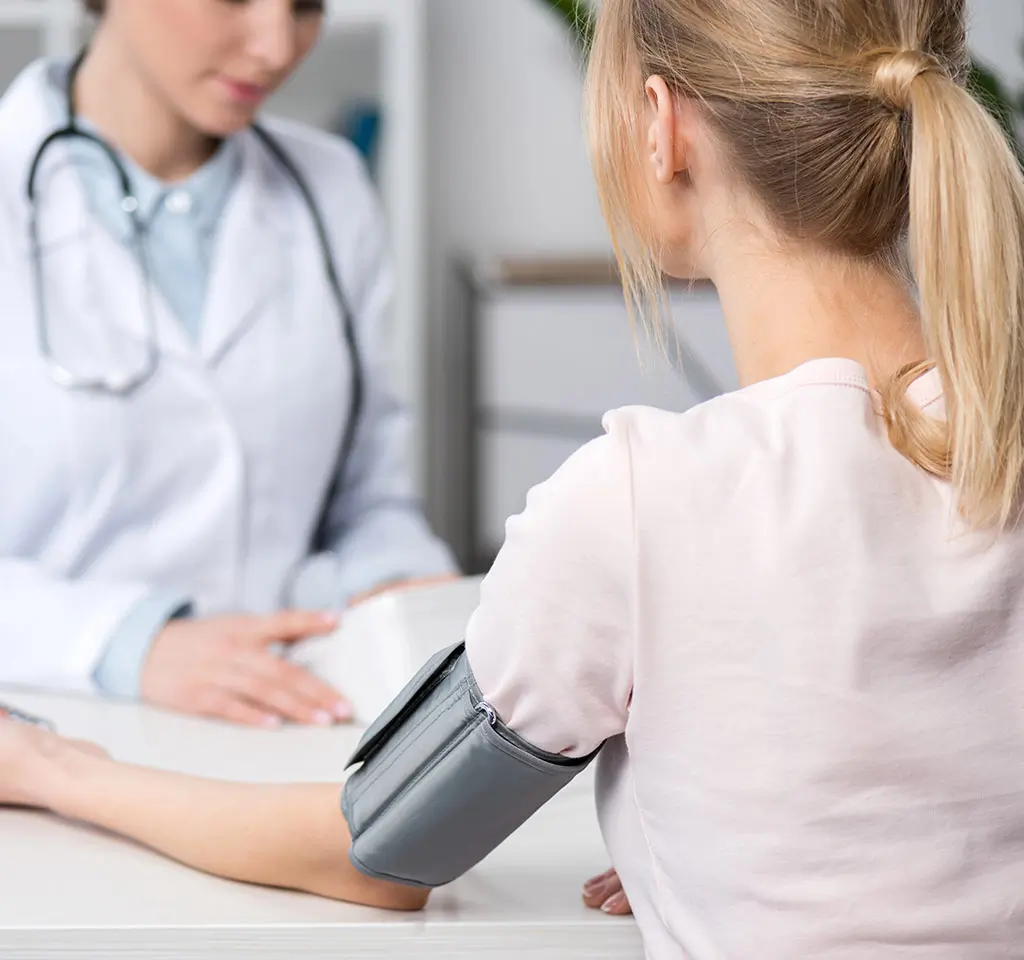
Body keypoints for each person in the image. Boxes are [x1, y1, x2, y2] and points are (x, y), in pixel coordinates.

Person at [3, 0, 1024, 952]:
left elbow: (381, 849)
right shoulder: (994, 437)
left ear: (660, 127)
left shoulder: (635, 499)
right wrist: (729, 833)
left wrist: (56, 770)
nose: (275, 42)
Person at [0, 0, 457, 728]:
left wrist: (406, 592)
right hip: (45, 728)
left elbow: (368, 499)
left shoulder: (331, 187)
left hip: (286, 717)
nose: (277, 47)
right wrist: (130, 642)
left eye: (307, 5)